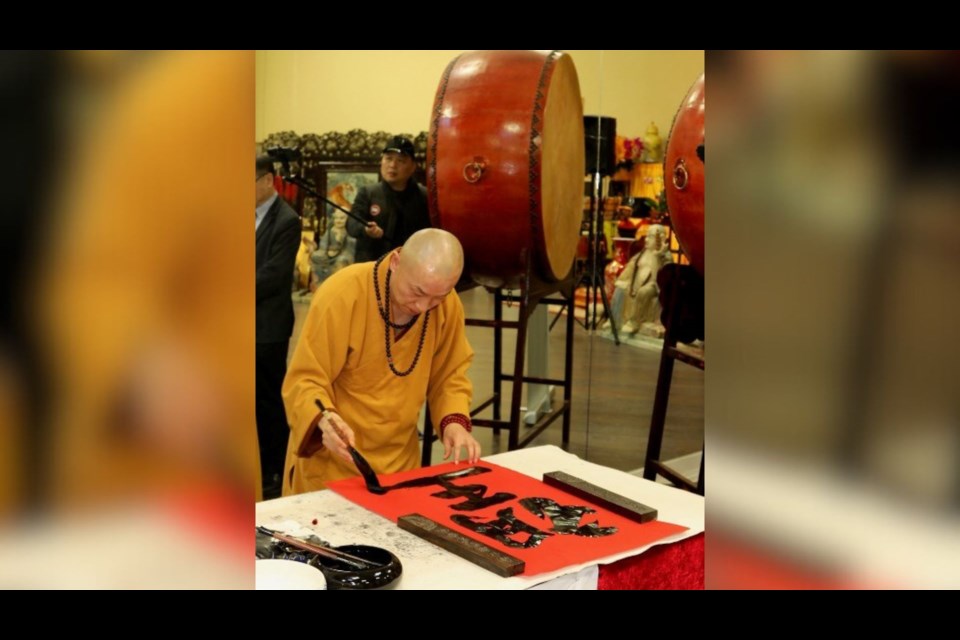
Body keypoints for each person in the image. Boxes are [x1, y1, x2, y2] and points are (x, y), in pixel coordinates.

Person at [282, 228, 480, 494]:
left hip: (400, 466)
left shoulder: (446, 305)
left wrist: (453, 421)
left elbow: (450, 375)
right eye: (417, 291)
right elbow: (305, 379)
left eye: (437, 297)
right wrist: (323, 419)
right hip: (334, 462)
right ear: (396, 262)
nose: (423, 307)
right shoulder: (343, 294)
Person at [255, 156, 302, 498]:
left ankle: (276, 469)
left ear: (267, 180)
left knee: (268, 400)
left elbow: (274, 274)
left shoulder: (286, 220)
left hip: (267, 326)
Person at [347, 136, 431, 263]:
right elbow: (351, 224)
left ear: (413, 166)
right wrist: (366, 229)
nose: (392, 165)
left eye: (401, 161)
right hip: (372, 267)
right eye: (388, 159)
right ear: (381, 161)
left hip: (410, 267)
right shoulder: (367, 193)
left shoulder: (425, 197)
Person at [611, 224, 672, 335]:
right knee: (620, 288)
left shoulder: (665, 255)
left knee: (644, 292)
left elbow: (666, 274)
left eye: (651, 237)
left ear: (661, 238)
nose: (647, 240)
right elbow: (631, 267)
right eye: (647, 236)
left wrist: (660, 256)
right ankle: (613, 321)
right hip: (635, 283)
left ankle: (634, 322)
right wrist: (623, 280)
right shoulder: (643, 253)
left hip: (654, 286)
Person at [310, 208, 356, 289]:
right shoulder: (330, 231)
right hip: (328, 254)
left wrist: (340, 239)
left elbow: (350, 247)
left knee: (342, 260)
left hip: (343, 253)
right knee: (315, 256)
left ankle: (338, 284)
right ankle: (319, 282)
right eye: (336, 218)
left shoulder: (348, 232)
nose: (339, 221)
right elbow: (323, 244)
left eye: (342, 218)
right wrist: (324, 252)